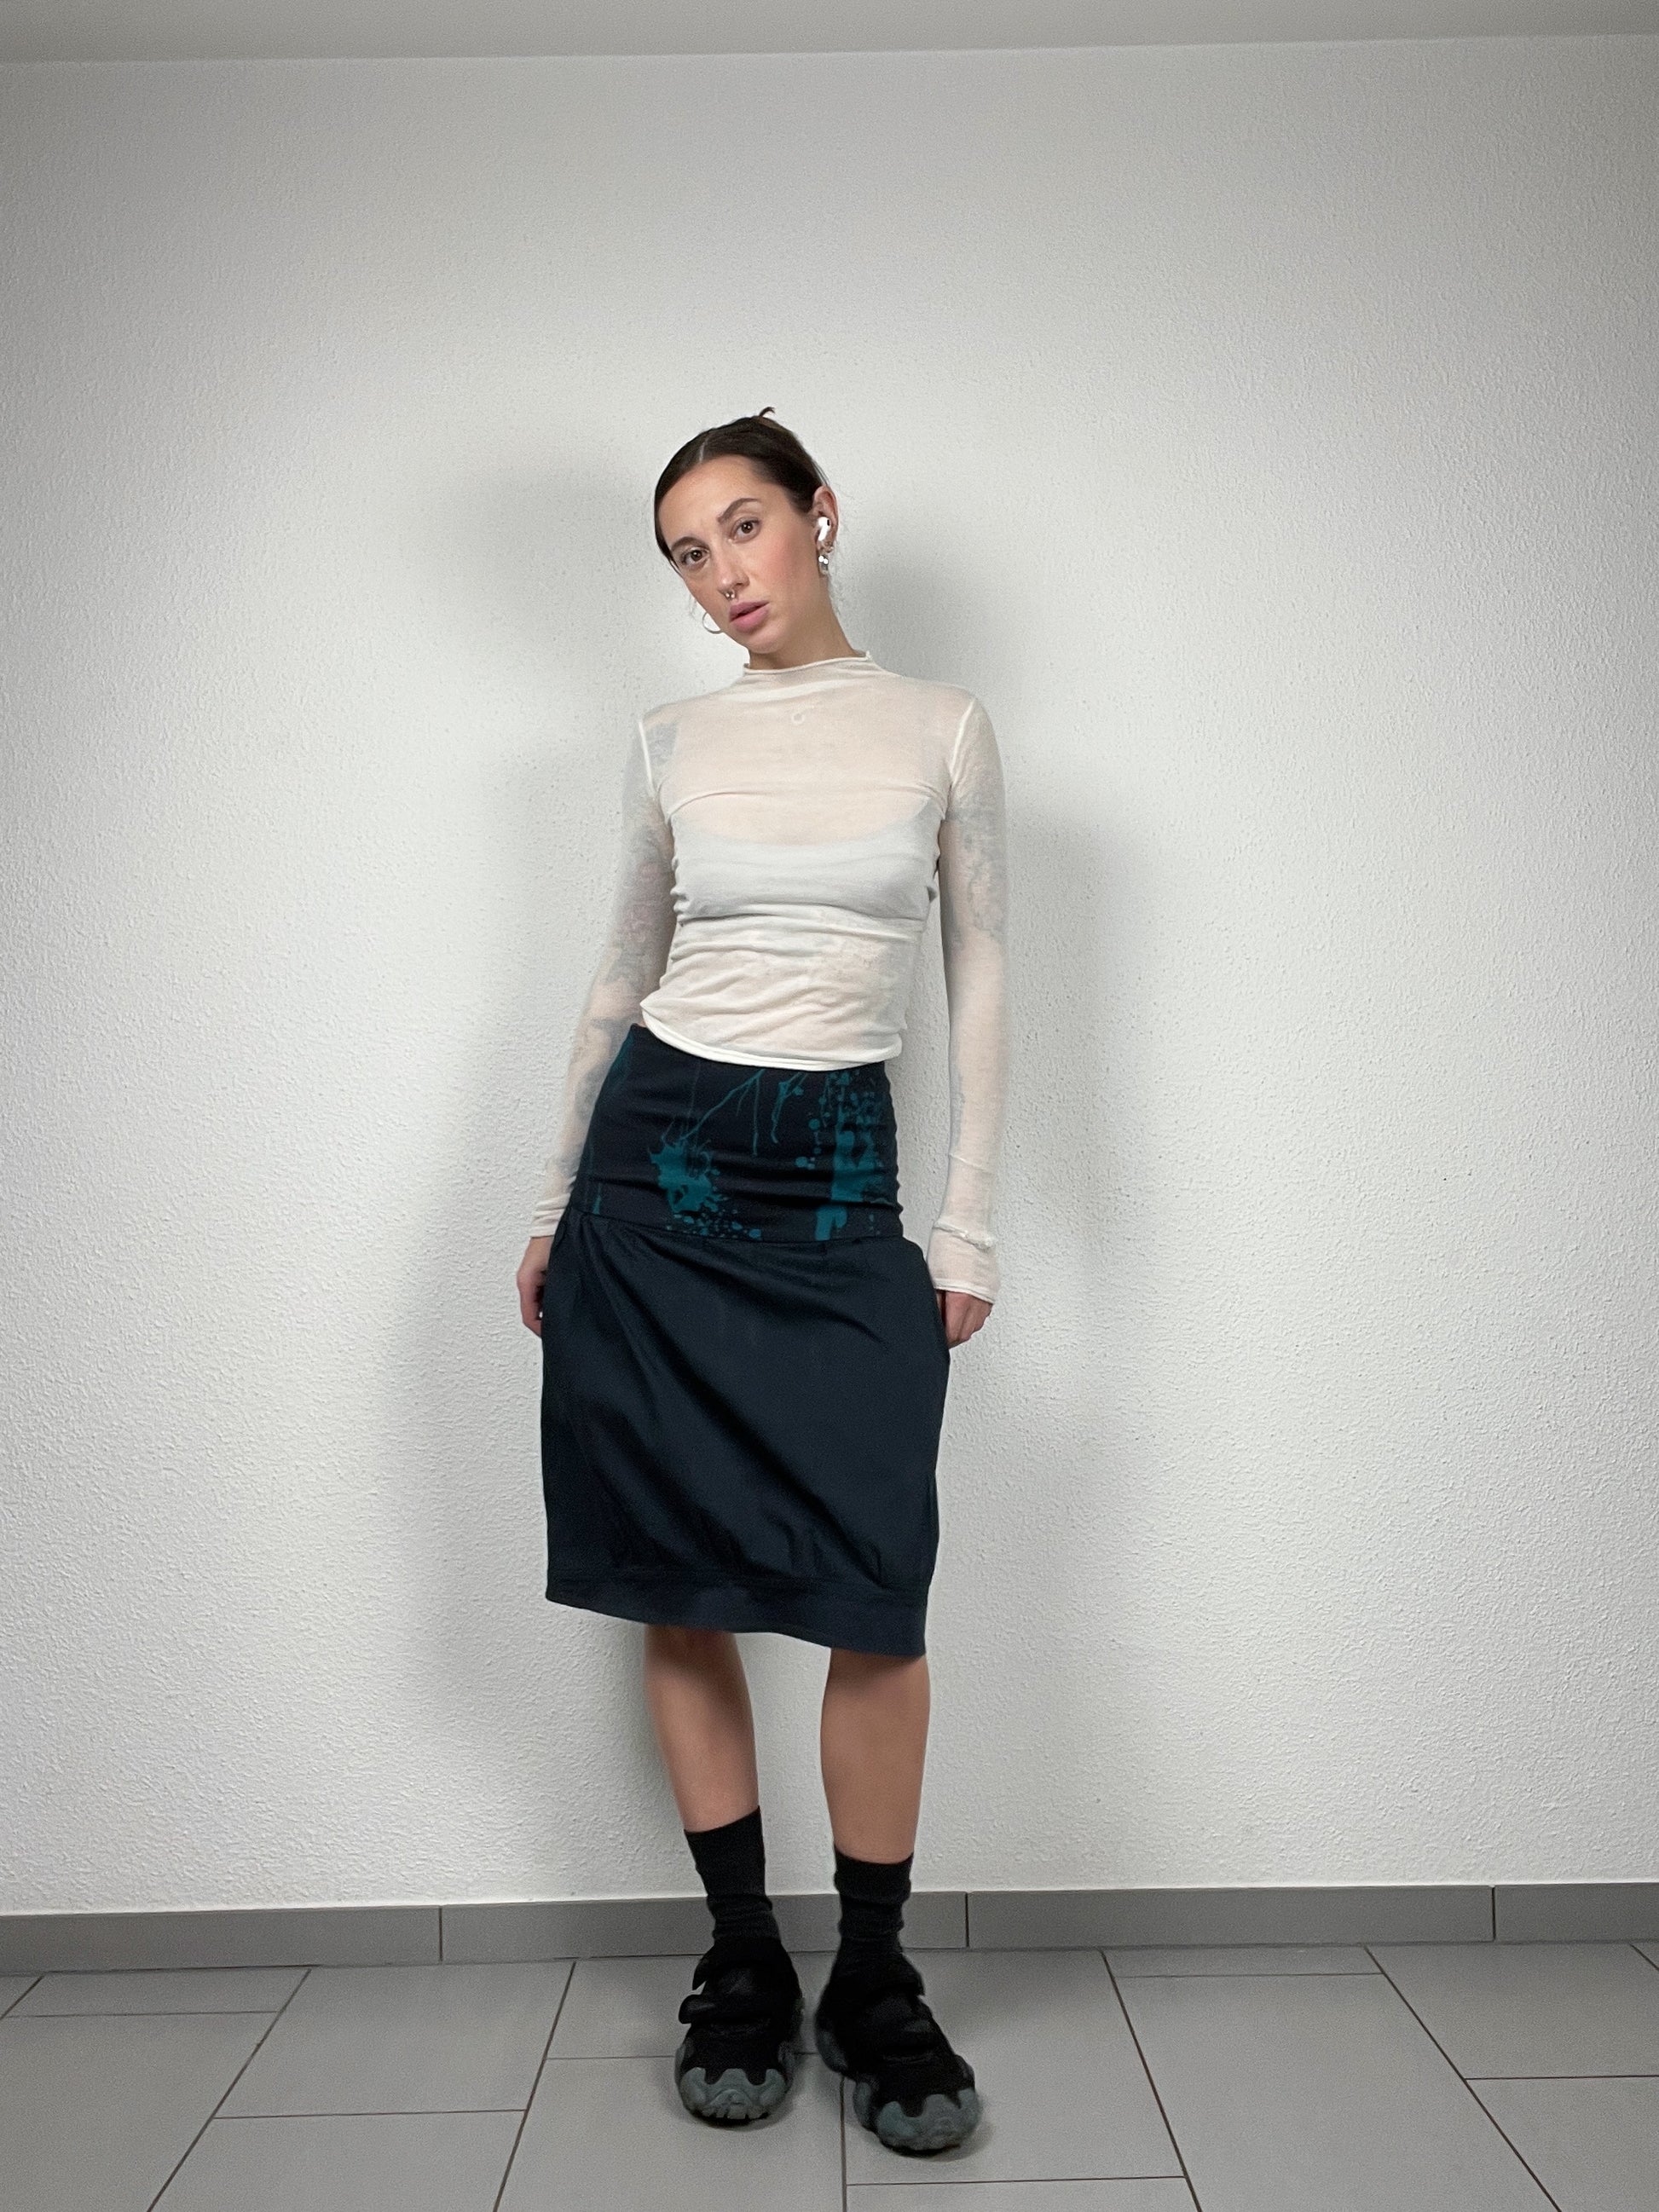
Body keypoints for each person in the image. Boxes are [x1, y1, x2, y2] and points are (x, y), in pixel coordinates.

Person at [516, 409, 1008, 2158]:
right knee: (682, 1579)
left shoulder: (940, 724)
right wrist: (555, 1199)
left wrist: (964, 1224)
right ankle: (741, 1955)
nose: (721, 572)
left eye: (742, 525)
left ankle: (873, 1973)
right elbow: (618, 974)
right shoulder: (673, 740)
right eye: (686, 551)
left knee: (876, 1591)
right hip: (654, 1174)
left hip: (836, 1175)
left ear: (819, 514)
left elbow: (980, 971)